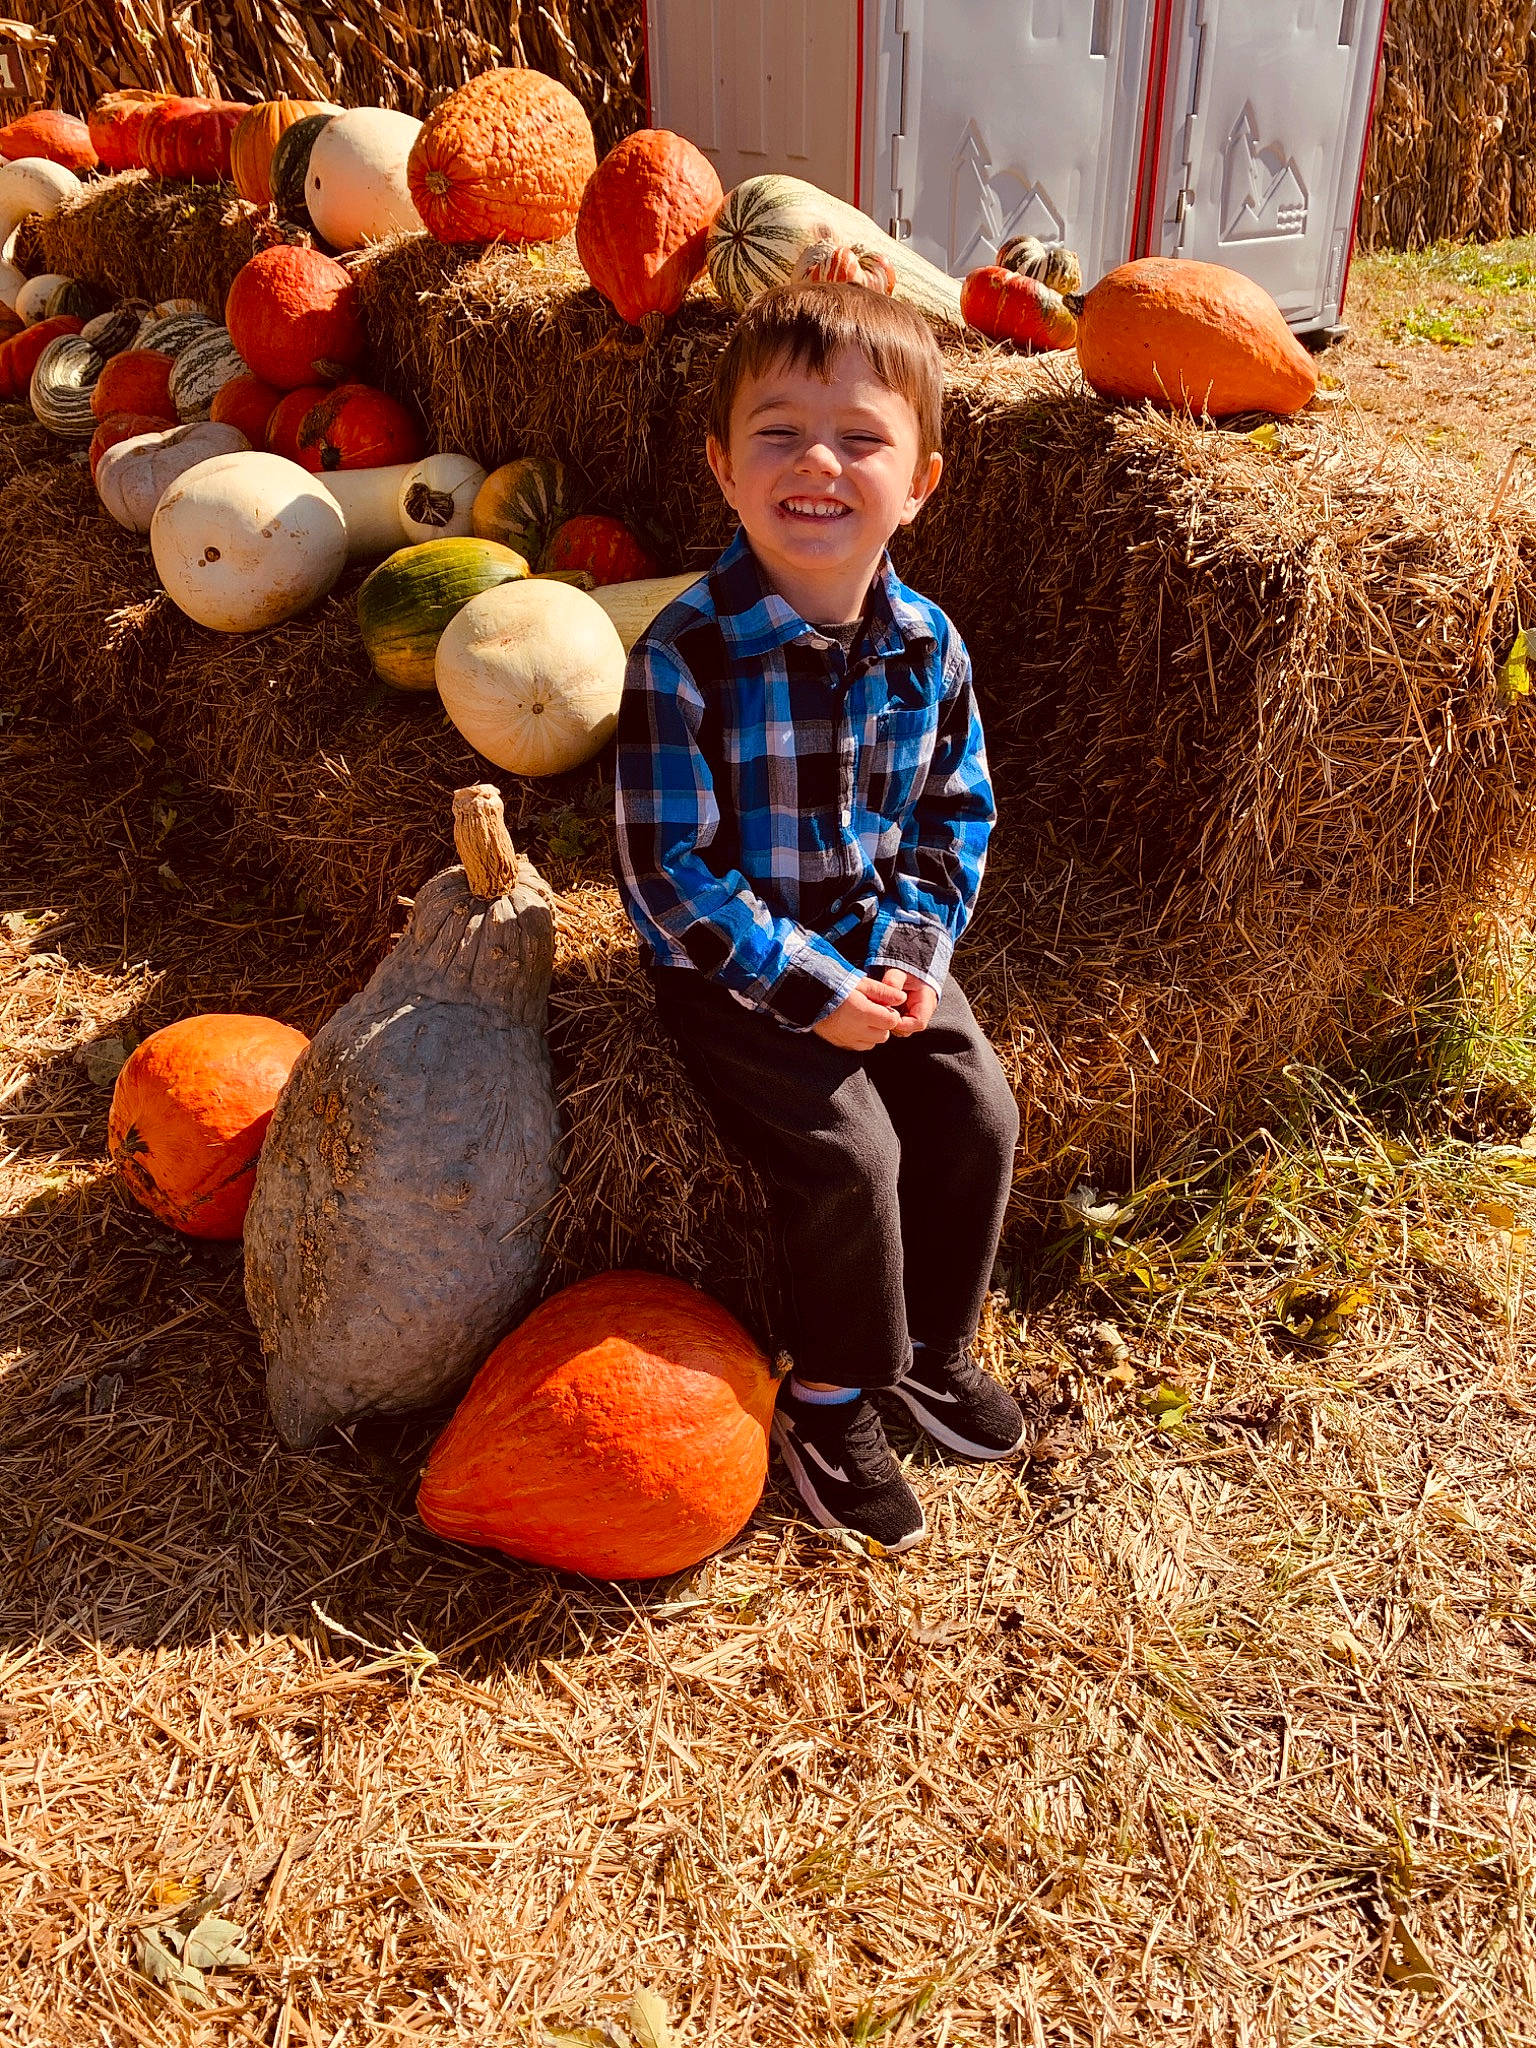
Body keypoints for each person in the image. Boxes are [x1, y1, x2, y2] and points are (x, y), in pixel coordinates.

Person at [614, 279, 1022, 1553]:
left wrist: (906, 961)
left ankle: (928, 1351)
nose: (818, 464)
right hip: (731, 959)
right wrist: (808, 989)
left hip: (871, 931)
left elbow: (956, 813)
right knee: (852, 1154)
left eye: (860, 437)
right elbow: (668, 869)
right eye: (778, 432)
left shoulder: (929, 645)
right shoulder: (682, 650)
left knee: (974, 1108)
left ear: (922, 480)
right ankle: (833, 1387)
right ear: (722, 467)